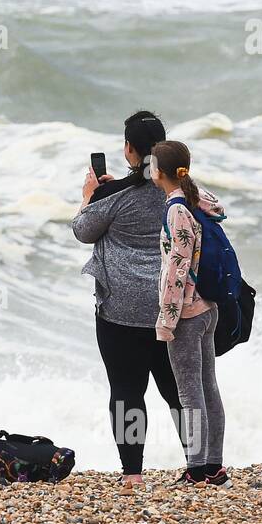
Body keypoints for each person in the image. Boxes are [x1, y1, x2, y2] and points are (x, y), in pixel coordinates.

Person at [72, 111, 185, 488]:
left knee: (126, 390)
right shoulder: (179, 191)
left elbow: (84, 231)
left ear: (129, 150)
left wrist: (91, 196)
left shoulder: (111, 194)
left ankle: (133, 474)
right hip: (170, 307)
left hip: (120, 310)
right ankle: (200, 465)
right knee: (178, 390)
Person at [150, 140, 229, 487]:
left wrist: (166, 321)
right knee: (208, 387)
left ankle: (197, 470)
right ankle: (214, 468)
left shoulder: (176, 211)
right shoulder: (198, 201)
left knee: (190, 393)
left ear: (159, 173)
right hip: (208, 310)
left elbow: (176, 270)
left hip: (188, 314)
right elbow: (219, 206)